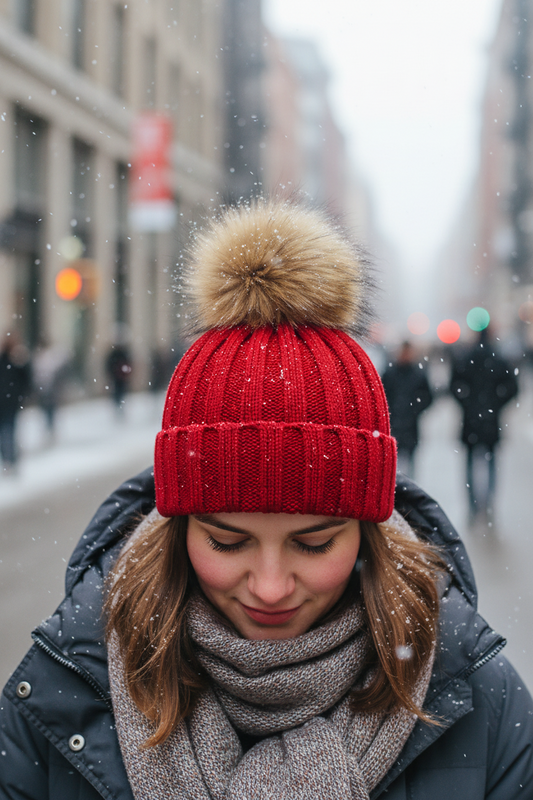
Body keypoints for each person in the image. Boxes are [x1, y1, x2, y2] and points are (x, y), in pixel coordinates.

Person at [1, 200, 532, 800]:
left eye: (315, 542)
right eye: (228, 541)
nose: (271, 586)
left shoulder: (482, 705)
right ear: (179, 529)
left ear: (367, 531)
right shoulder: (60, 696)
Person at [450, 327, 518, 522]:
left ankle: (473, 504)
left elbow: (454, 385)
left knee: (470, 462)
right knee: (492, 462)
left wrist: (467, 403)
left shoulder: (467, 357)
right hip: (491, 420)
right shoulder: (498, 358)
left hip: (471, 419)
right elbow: (513, 387)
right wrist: (497, 404)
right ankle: (488, 503)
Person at [381, 340, 433, 478]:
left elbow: (428, 397)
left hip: (409, 424)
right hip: (395, 422)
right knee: (394, 461)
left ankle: (406, 488)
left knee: (409, 460)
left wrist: (415, 410)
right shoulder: (391, 373)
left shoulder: (417, 373)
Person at [0, 332, 31, 474]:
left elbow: (26, 378)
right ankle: (10, 459)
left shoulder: (15, 360)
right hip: (10, 401)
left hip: (9, 401)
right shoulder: (15, 360)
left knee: (7, 431)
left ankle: (9, 459)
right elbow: (26, 379)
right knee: (9, 431)